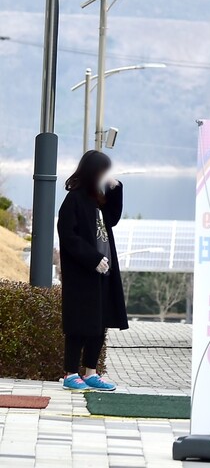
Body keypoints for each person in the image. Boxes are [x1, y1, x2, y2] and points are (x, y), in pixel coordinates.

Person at [57, 150, 128, 392]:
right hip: (83, 273)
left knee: (100, 323)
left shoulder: (97, 199)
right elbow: (67, 236)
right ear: (91, 171)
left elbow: (113, 219)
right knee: (79, 323)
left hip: (103, 271)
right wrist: (93, 258)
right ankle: (70, 373)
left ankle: (90, 372)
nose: (104, 175)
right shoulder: (74, 199)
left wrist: (115, 189)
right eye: (102, 171)